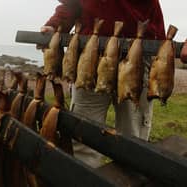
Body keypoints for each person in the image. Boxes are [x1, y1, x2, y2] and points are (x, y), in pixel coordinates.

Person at [40, 0, 187, 168]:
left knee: (133, 136)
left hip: (138, 59)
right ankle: (83, 177)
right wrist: (55, 25)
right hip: (91, 58)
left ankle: (130, 179)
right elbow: (71, 5)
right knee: (83, 133)